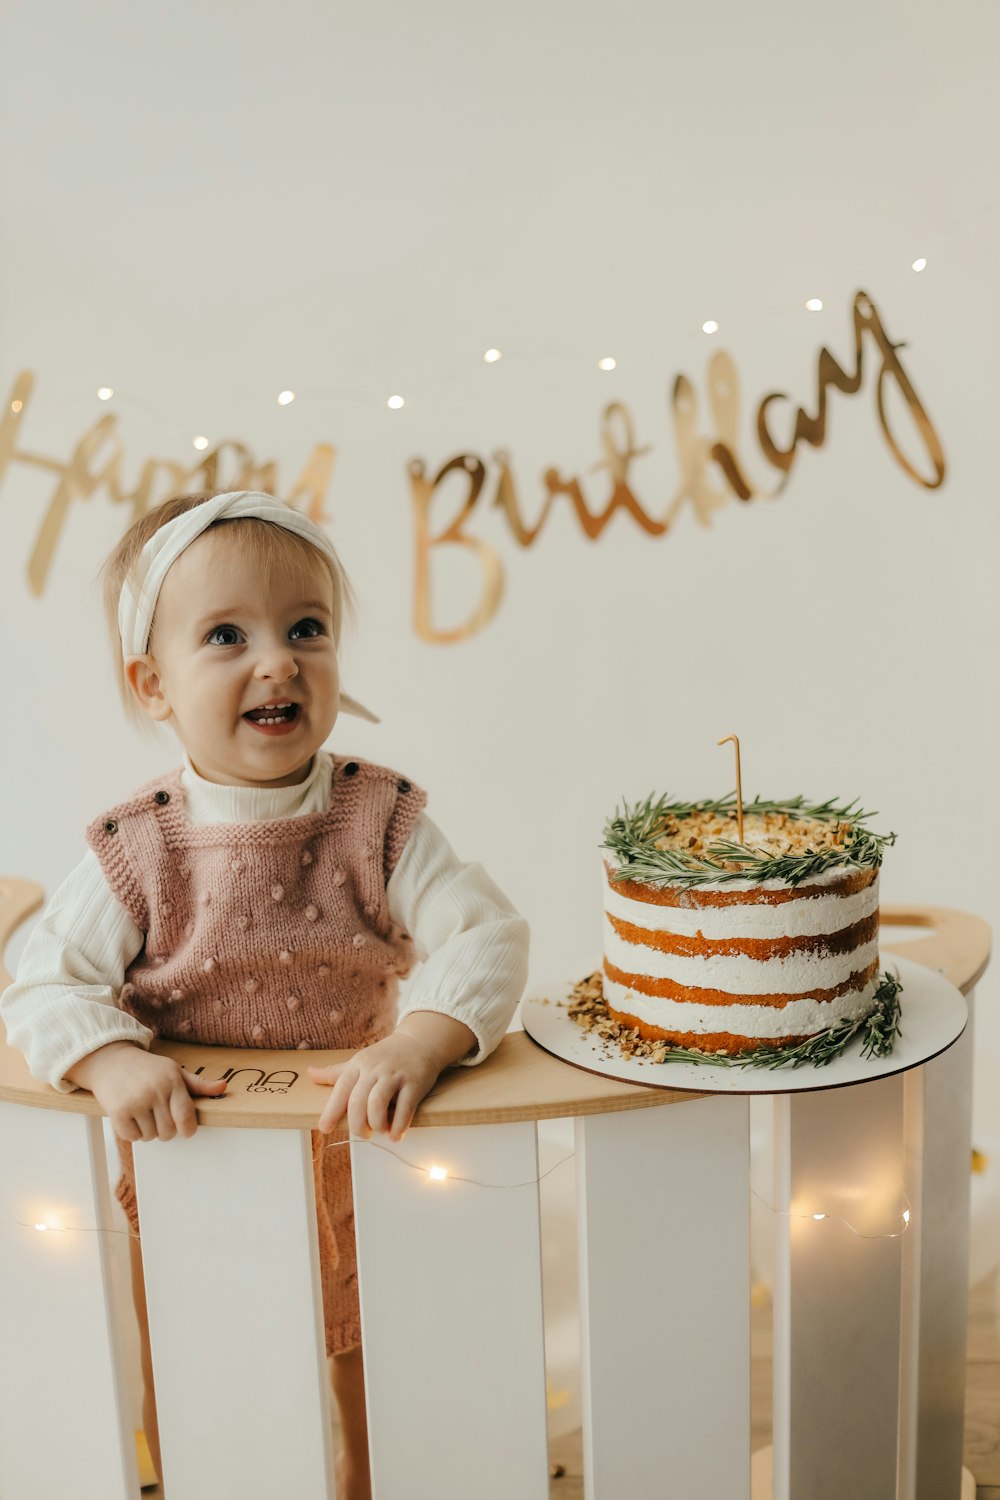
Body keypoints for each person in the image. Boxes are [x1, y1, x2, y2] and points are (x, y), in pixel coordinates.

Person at [0, 489, 529, 1499]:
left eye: (306, 629)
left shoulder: (377, 819)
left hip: (359, 1141)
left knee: (375, 1358)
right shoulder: (140, 846)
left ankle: (376, 1480)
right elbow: (43, 980)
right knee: (204, 1363)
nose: (277, 660)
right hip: (194, 1157)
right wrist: (110, 1057)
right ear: (152, 683)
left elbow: (488, 933)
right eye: (227, 635)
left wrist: (421, 1039)